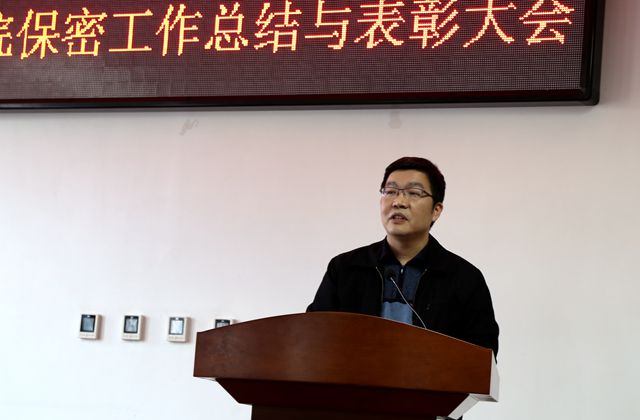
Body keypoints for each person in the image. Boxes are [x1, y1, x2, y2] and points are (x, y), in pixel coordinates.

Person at [307, 157, 499, 357]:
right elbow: (313, 338)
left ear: (436, 210)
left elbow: (482, 356)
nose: (398, 202)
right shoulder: (345, 268)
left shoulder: (464, 278)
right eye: (390, 191)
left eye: (414, 193)